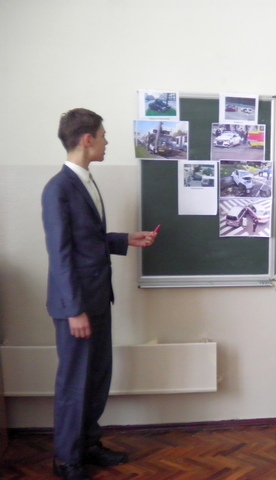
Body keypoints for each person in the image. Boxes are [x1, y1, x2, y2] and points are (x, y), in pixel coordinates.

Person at [42, 108, 157, 480]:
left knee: (97, 378)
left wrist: (126, 239)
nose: (107, 142)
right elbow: (61, 254)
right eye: (104, 136)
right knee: (74, 382)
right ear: (87, 139)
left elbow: (86, 240)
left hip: (97, 298)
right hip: (76, 306)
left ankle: (89, 444)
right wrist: (74, 310)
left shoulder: (87, 181)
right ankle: (66, 459)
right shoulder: (59, 188)